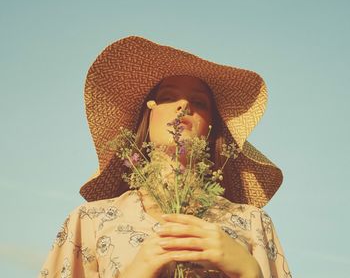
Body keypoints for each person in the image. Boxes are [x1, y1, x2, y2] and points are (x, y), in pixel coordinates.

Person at [38, 36, 292, 278]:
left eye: (200, 103)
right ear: (147, 116)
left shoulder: (253, 224)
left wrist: (249, 271)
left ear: (212, 127)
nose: (183, 106)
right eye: (168, 97)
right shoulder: (89, 222)